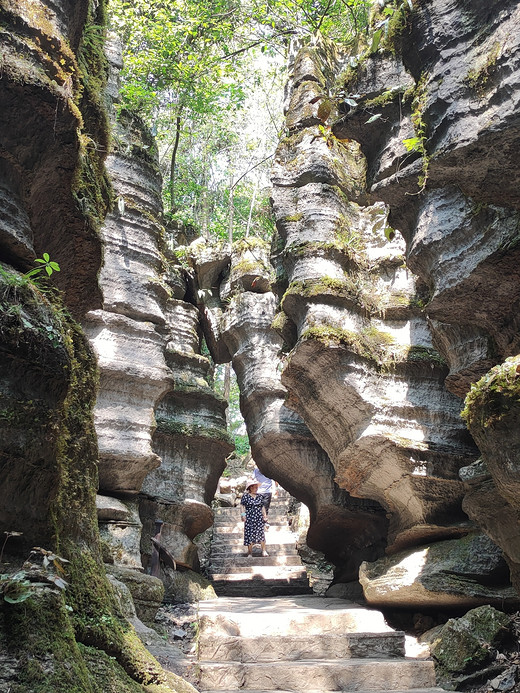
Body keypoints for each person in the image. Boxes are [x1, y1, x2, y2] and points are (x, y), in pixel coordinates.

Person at [240, 478, 268, 557]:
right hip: (249, 517)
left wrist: (265, 516)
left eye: (256, 487)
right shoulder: (245, 496)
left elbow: (262, 507)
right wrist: (243, 515)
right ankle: (249, 552)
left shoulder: (259, 497)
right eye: (254, 487)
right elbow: (242, 506)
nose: (256, 489)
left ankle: (264, 551)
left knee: (261, 534)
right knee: (249, 534)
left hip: (258, 517)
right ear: (250, 488)